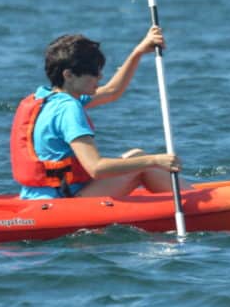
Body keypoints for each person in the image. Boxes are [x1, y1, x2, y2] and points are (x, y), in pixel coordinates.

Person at [10, 25, 192, 200]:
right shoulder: (69, 108)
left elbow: (112, 91)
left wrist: (138, 52)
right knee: (145, 165)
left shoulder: (47, 98)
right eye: (94, 73)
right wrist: (155, 160)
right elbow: (95, 168)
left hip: (38, 195)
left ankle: (189, 196)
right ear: (69, 75)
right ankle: (197, 202)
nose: (100, 77)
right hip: (65, 200)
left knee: (137, 155)